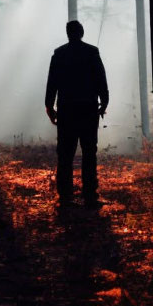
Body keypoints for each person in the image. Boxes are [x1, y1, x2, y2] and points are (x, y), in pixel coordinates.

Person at [45, 20, 109, 206]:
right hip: (88, 109)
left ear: (68, 33)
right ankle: (90, 195)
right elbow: (100, 79)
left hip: (67, 110)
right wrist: (104, 102)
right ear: (81, 32)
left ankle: (65, 196)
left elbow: (52, 84)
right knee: (89, 151)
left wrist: (50, 107)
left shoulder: (59, 54)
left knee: (65, 153)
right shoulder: (92, 52)